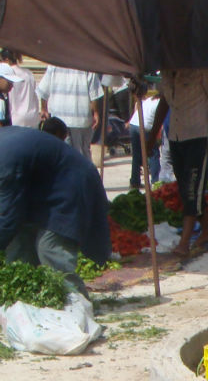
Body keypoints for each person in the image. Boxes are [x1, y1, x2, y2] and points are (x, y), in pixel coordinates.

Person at [0, 126, 110, 295]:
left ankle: (75, 304)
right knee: (18, 248)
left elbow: (7, 216)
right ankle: (27, 302)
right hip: (40, 190)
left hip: (71, 186)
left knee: (50, 249)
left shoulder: (5, 159)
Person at [146, 68, 208, 258]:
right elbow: (164, 103)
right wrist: (153, 133)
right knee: (185, 188)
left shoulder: (201, 71)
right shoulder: (167, 75)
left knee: (192, 190)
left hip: (197, 136)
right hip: (176, 137)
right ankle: (207, 230)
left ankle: (184, 242)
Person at [37, 64, 103, 160]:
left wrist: (44, 109)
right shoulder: (87, 64)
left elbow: (43, 91)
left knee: (62, 153)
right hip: (81, 118)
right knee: (82, 153)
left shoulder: (54, 64)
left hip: (59, 118)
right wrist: (96, 113)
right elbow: (94, 93)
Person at [127, 81, 160, 191]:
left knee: (136, 154)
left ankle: (135, 181)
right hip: (144, 126)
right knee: (153, 153)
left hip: (134, 124)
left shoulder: (150, 100)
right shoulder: (161, 103)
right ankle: (155, 181)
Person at [0, 50, 40, 128]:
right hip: (31, 116)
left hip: (15, 118)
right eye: (9, 83)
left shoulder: (11, 72)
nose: (11, 86)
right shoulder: (28, 73)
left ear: (7, 60)